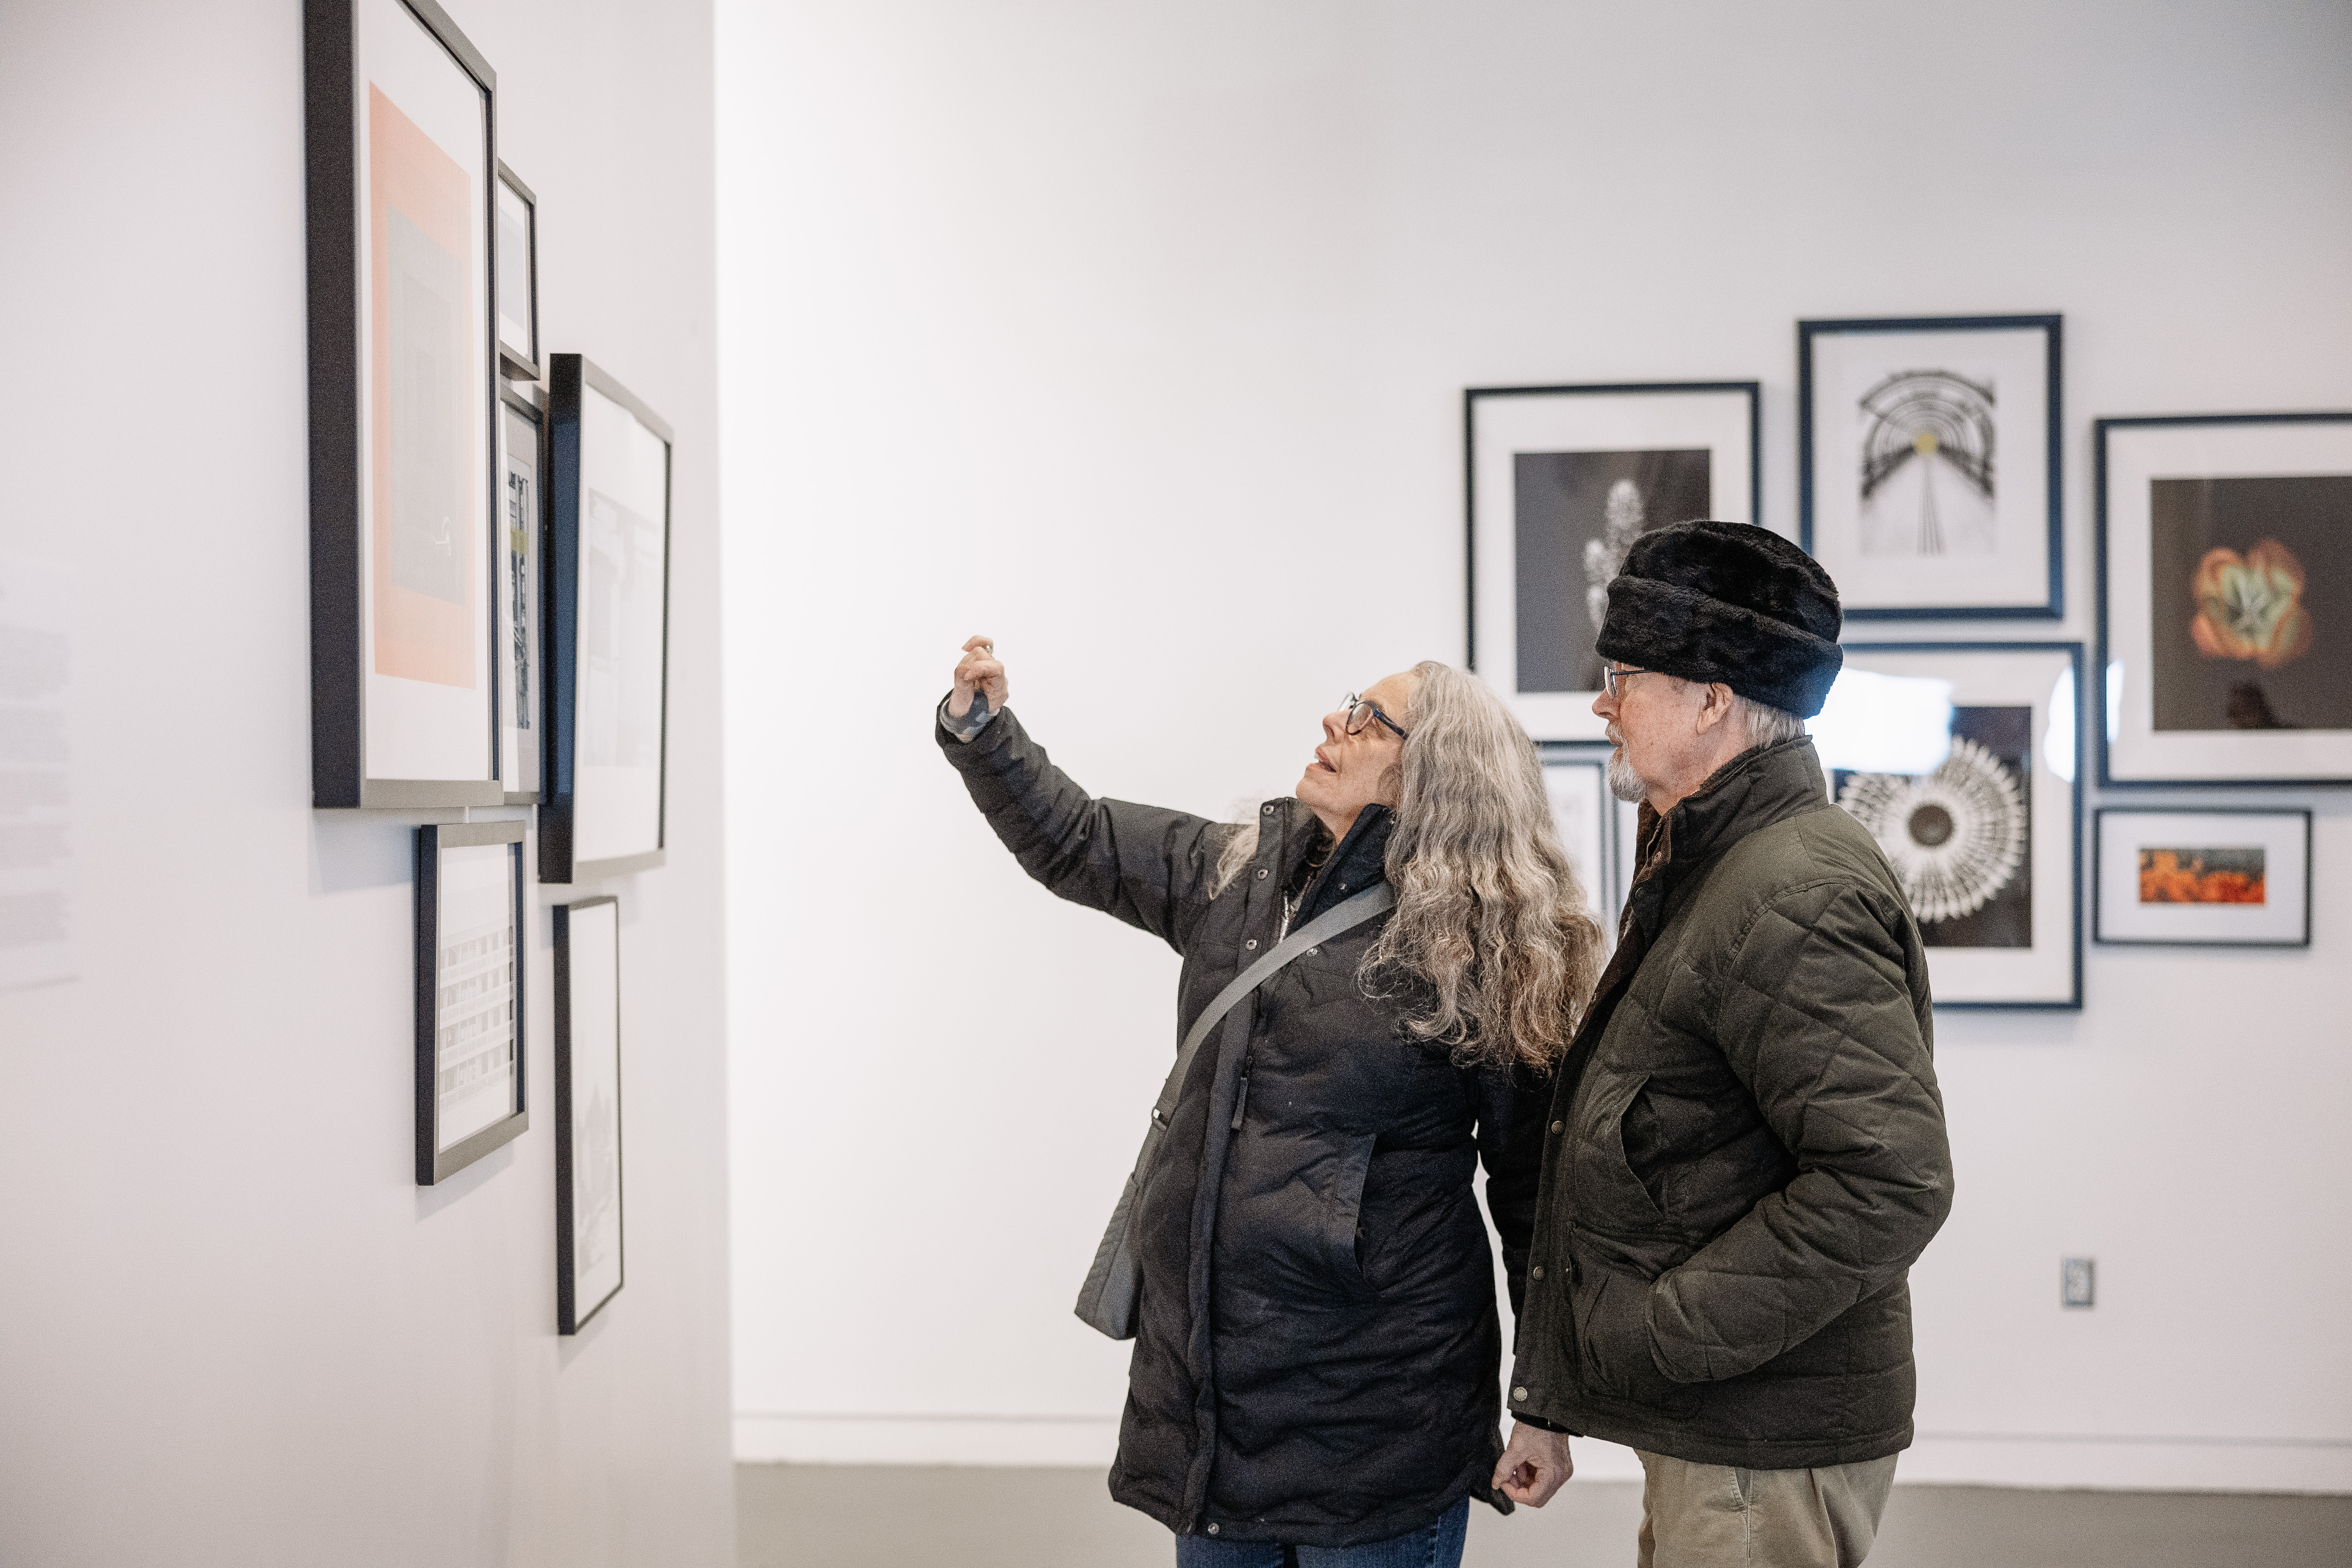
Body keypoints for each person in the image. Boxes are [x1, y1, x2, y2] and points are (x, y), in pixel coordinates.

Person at [937, 638, 1604, 1565]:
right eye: (1347, 705)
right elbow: (1079, 838)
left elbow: (1535, 1192)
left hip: (1379, 1424)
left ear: (1436, 775)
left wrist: (1543, 1404)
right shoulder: (1239, 873)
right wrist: (984, 730)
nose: (1337, 722)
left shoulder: (1485, 947)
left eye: (1371, 719)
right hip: (1213, 1411)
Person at [1490, 522, 1956, 1568]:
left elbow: (1890, 1181)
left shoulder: (1793, 885)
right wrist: (1563, 1394)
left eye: (1626, 676)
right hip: (1724, 1428)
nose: (1603, 704)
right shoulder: (1716, 857)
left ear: (1711, 698)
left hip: (1760, 1444)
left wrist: (1661, 1335)